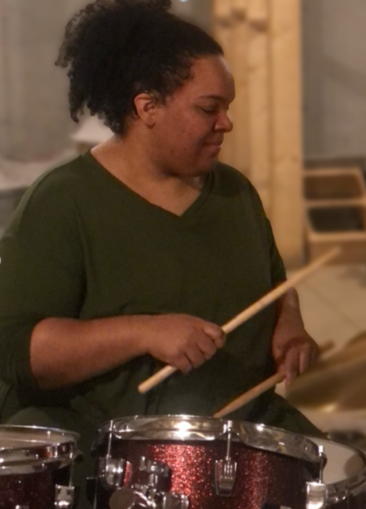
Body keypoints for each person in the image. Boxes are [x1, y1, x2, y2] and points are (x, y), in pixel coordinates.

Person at [0, 0, 321, 507]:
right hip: (109, 452)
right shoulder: (62, 203)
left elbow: (277, 286)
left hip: (239, 435)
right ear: (147, 107)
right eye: (208, 108)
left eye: (228, 107)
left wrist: (290, 324)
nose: (227, 123)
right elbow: (22, 353)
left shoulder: (234, 193)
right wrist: (146, 331)